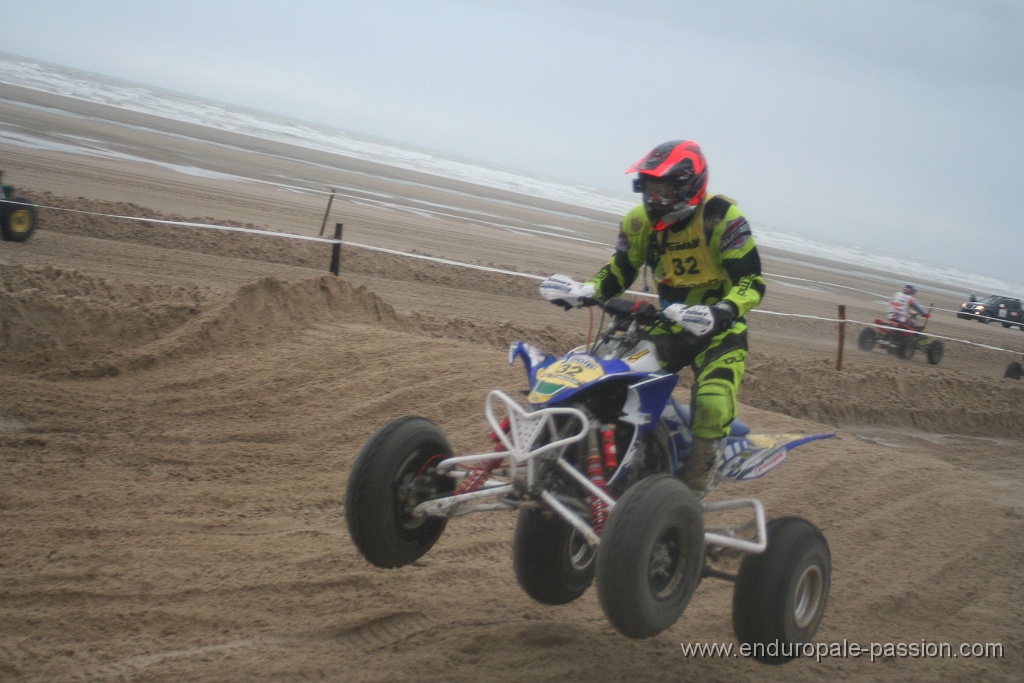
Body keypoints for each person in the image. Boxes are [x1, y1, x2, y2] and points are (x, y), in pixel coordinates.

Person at [540, 140, 765, 500]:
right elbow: (619, 271)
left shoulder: (722, 218)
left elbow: (751, 281)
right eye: (649, 188)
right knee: (604, 373)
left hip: (720, 330)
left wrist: (722, 311)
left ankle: (690, 496)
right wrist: (586, 290)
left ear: (690, 186)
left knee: (712, 402)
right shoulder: (638, 222)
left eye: (664, 189)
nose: (654, 198)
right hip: (669, 324)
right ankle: (589, 456)